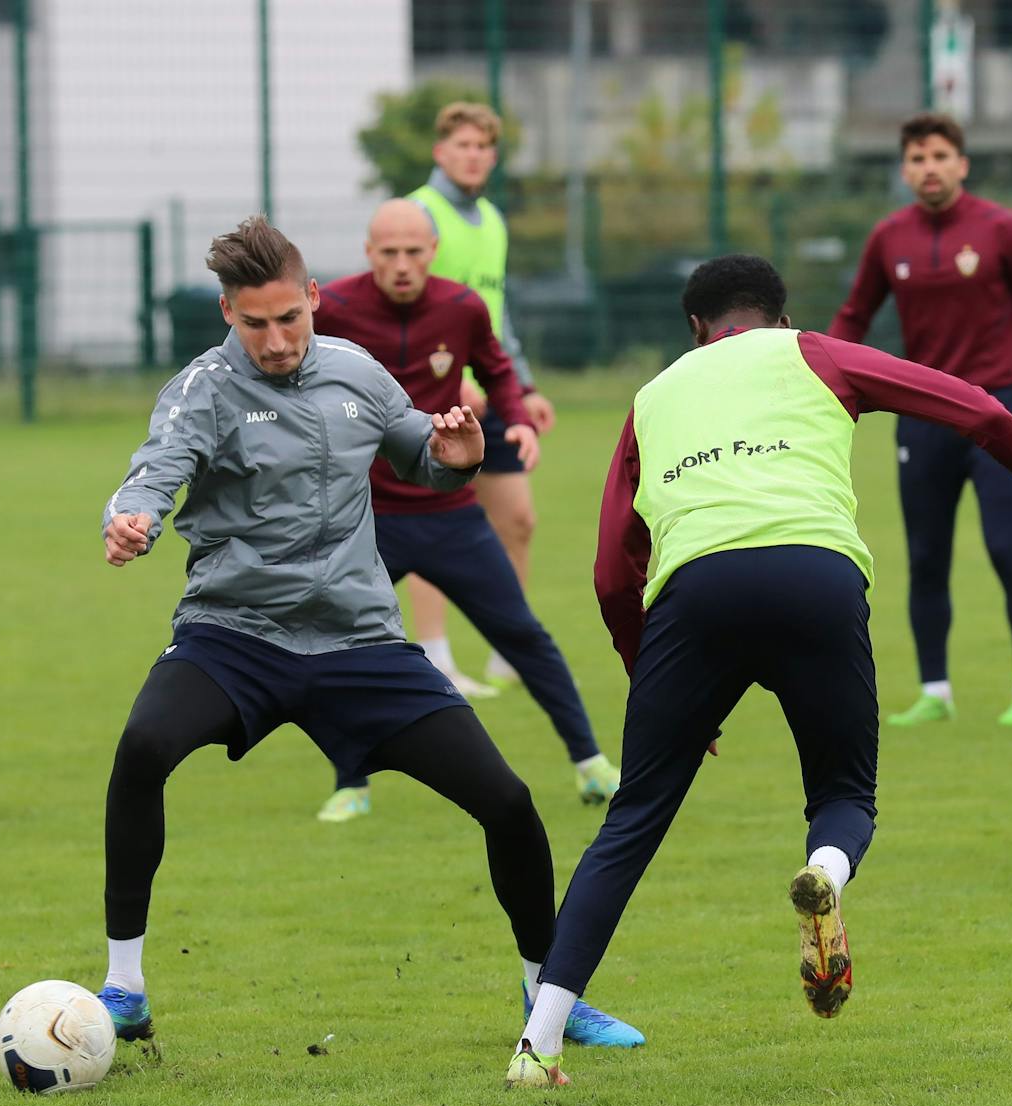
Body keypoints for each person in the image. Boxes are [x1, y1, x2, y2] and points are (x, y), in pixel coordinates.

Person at [506, 255, 1012, 1088]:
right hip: (815, 577)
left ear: (696, 328)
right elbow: (976, 408)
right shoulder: (818, 354)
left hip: (696, 595)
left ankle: (537, 1045)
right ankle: (825, 874)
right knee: (844, 795)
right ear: (778, 314)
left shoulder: (653, 397)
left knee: (633, 821)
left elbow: (614, 572)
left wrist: (648, 668)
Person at [95, 216, 638, 1053]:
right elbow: (156, 468)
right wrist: (130, 517)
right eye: (254, 323)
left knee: (508, 803)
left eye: (289, 318)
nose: (276, 341)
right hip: (236, 635)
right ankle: (124, 986)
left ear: (314, 299)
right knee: (141, 748)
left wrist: (456, 452)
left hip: (360, 644)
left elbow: (421, 450)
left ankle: (550, 999)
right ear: (226, 314)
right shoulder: (202, 389)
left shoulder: (355, 371)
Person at [310, 200, 623, 828]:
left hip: (452, 514)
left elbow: (497, 368)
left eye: (413, 251)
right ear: (369, 254)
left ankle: (591, 763)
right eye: (388, 252)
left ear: (432, 251)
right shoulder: (336, 310)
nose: (402, 264)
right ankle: (352, 781)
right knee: (333, 646)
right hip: (368, 519)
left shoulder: (461, 307)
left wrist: (518, 420)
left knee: (524, 636)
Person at [829, 112, 1012, 729]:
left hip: (998, 412)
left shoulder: (1003, 229)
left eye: (940, 156)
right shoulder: (889, 238)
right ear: (904, 170)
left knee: (1008, 547)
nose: (929, 168)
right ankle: (934, 691)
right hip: (921, 417)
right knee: (925, 555)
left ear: (962, 164)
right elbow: (854, 317)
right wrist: (820, 377)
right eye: (917, 159)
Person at [403, 101, 558, 697]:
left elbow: (498, 314)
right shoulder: (420, 213)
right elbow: (412, 304)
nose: (473, 156)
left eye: (483, 147)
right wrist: (449, 372)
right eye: (462, 145)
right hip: (437, 391)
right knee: (431, 527)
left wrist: (524, 384)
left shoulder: (492, 219)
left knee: (517, 519)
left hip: (492, 394)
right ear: (441, 152)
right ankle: (436, 657)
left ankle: (506, 649)